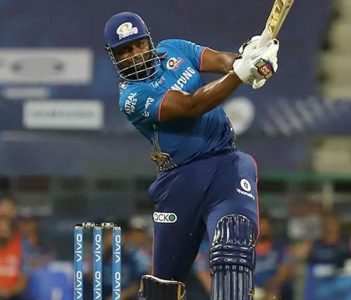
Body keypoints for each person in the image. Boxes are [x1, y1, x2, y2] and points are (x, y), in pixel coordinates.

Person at [104, 11, 280, 299]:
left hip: (225, 165)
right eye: (125, 51)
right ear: (114, 56)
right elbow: (191, 106)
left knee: (231, 246)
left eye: (138, 45)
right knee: (162, 286)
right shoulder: (132, 97)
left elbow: (221, 61)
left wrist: (247, 58)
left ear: (149, 41)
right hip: (179, 182)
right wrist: (240, 74)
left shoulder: (173, 49)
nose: (135, 55)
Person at [254, 213, 294, 300]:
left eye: (266, 224)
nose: (264, 228)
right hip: (252, 289)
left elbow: (283, 273)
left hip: (273, 290)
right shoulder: (247, 251)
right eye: (261, 224)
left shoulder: (280, 249)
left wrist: (270, 286)